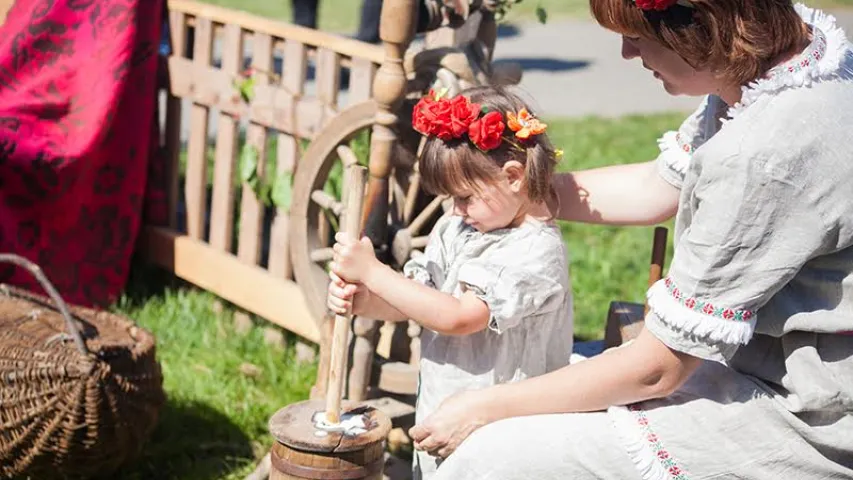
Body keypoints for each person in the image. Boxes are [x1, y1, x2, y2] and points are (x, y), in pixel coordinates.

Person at [398, 1, 853, 479]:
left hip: (806, 417)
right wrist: (516, 191)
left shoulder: (765, 154)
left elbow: (657, 369)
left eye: (637, 36)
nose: (625, 53)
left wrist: (483, 407)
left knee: (486, 457)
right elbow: (656, 187)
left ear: (700, 26)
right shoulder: (793, 66)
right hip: (765, 370)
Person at [326, 86, 575, 480]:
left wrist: (376, 272)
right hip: (446, 398)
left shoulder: (534, 251)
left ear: (513, 176)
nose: (455, 209)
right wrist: (367, 300)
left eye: (464, 197)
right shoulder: (457, 227)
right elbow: (425, 301)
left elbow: (459, 316)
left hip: (503, 425)